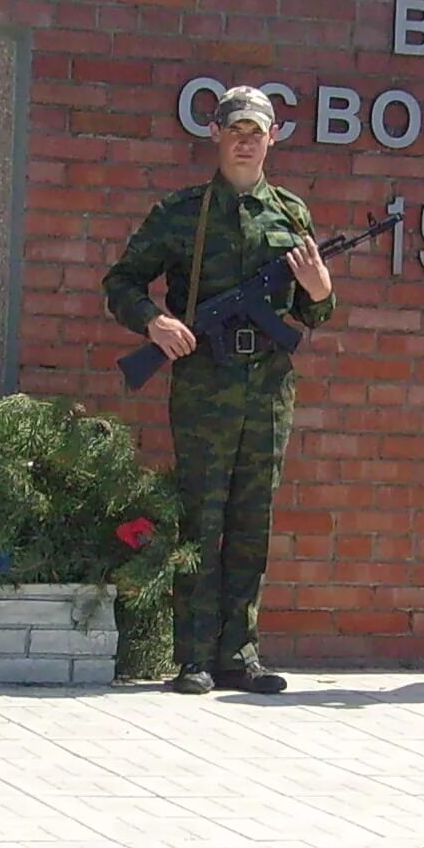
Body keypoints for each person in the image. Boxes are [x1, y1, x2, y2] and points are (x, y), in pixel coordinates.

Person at [102, 85, 334, 696]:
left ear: (273, 137)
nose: (246, 141)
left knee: (252, 519)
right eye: (236, 130)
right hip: (205, 383)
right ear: (216, 135)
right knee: (202, 518)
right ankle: (195, 655)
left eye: (257, 131)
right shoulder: (182, 213)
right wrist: (154, 322)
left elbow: (315, 316)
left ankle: (241, 652)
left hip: (268, 387)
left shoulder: (290, 214)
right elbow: (122, 280)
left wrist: (318, 288)